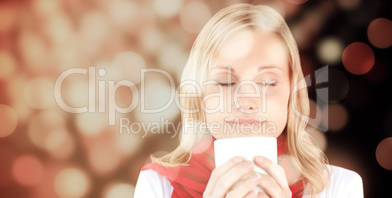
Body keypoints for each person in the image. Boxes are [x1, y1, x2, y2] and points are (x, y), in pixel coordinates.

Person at [134, 3, 363, 198]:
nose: (246, 102)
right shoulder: (158, 186)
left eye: (267, 83)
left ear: (292, 92)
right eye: (225, 82)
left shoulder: (338, 187)